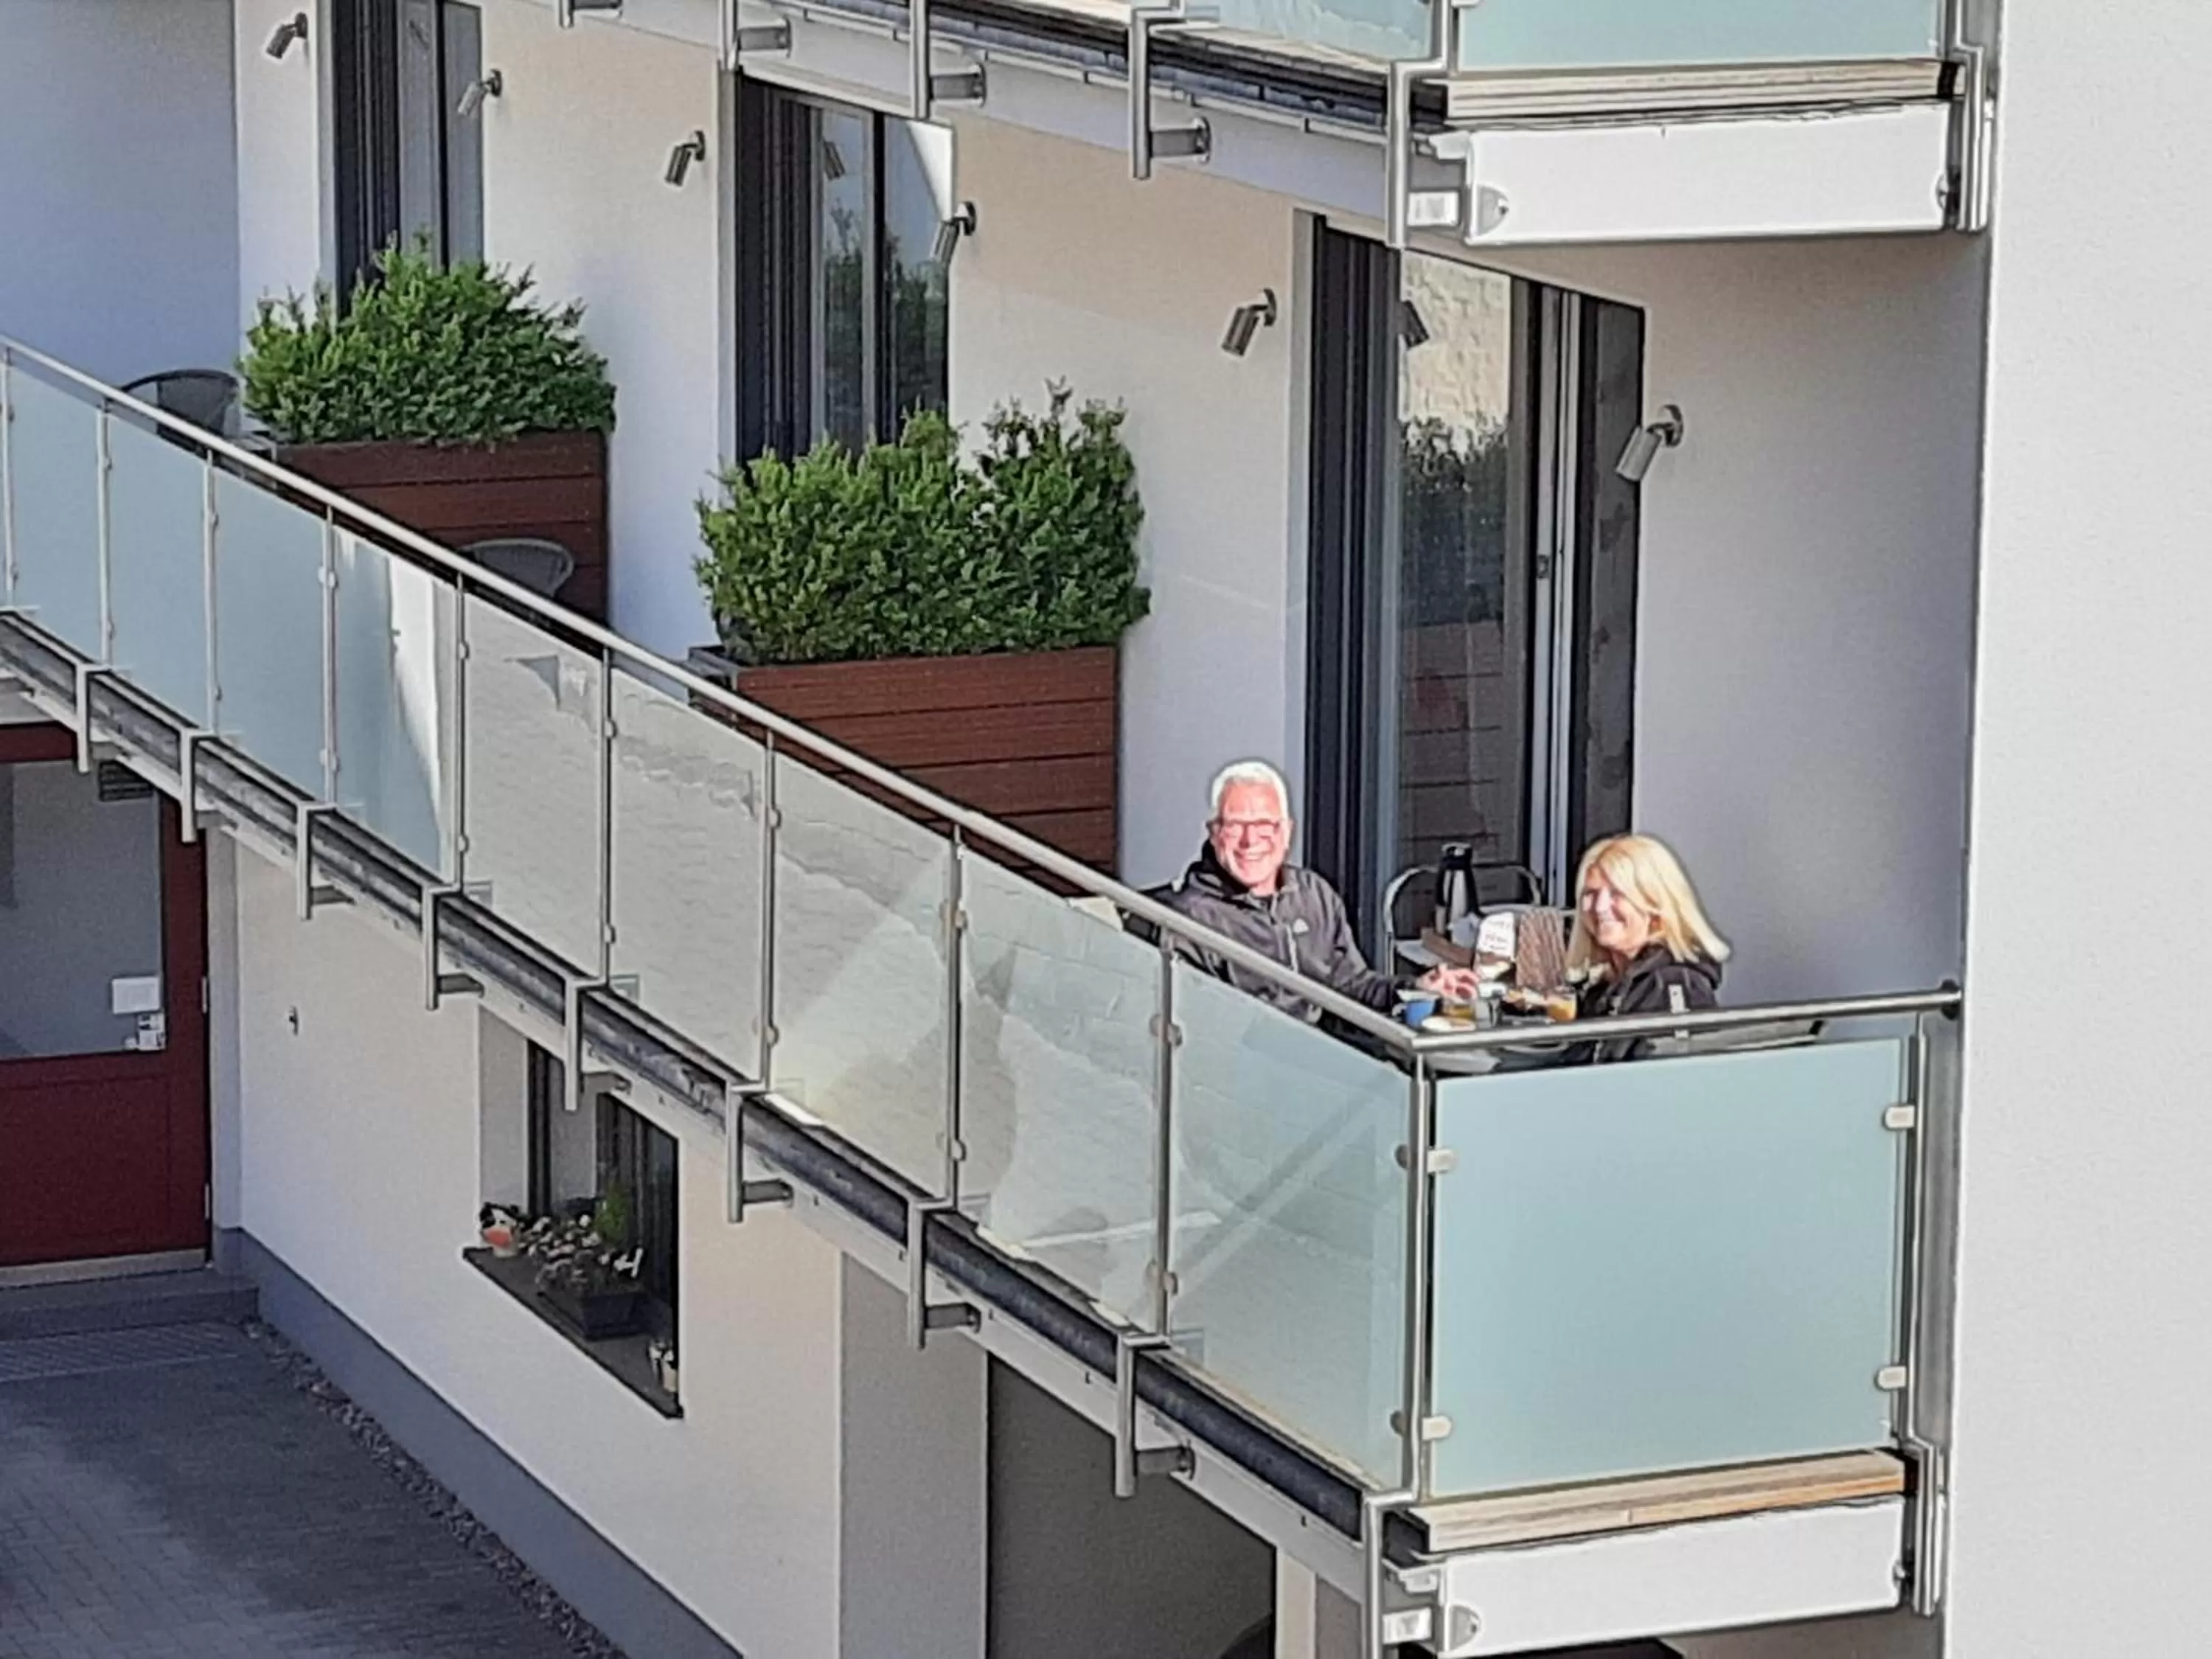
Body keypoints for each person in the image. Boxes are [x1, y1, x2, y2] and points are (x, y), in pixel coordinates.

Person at [1158, 759, 1478, 1026]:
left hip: (1323, 1064)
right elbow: (1199, 1031)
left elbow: (1353, 986)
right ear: (1215, 834)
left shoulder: (1312, 894)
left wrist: (1417, 988)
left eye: (1265, 826)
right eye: (1235, 826)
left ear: (1286, 833)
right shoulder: (1191, 919)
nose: (1250, 840)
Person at [1564, 832, 1730, 1062]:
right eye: (1591, 894)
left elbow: (1679, 1085)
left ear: (1656, 905)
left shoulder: (1674, 986)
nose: (1600, 907)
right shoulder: (1602, 989)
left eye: (1617, 894)